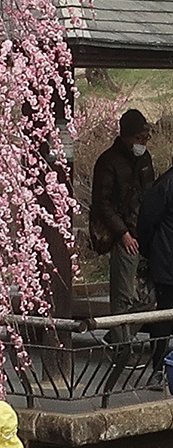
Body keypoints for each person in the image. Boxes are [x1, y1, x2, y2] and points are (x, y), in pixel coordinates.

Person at [90, 108, 155, 333]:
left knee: (149, 295)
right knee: (123, 295)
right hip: (123, 235)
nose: (143, 143)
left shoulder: (144, 157)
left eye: (146, 138)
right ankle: (121, 346)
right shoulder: (109, 161)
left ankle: (118, 339)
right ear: (126, 136)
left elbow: (150, 192)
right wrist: (123, 233)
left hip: (142, 231)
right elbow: (102, 204)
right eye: (139, 138)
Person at [136, 162, 173, 385]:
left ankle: (160, 368)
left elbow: (146, 223)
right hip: (167, 259)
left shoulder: (164, 184)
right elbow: (147, 223)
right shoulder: (166, 185)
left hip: (165, 259)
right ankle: (159, 367)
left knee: (163, 315)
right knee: (164, 316)